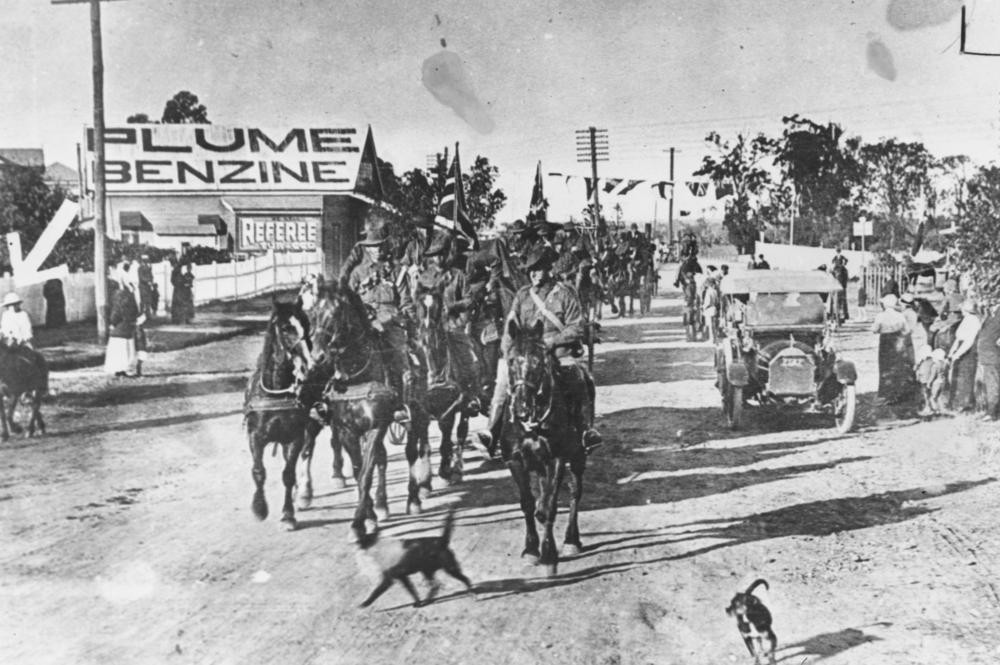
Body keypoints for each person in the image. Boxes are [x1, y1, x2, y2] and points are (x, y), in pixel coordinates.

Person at [477, 246, 601, 458]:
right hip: (527, 354)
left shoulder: (565, 294)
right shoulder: (523, 295)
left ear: (549, 269)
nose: (533, 274)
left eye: (538, 269)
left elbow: (576, 326)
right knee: (504, 380)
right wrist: (509, 351)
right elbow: (510, 326)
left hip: (558, 353)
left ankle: (586, 431)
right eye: (530, 270)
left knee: (581, 380)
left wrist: (553, 341)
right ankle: (492, 431)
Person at [343, 211, 414, 403]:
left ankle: (399, 402)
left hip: (390, 321)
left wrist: (395, 319)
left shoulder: (397, 272)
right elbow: (349, 300)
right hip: (364, 320)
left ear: (385, 246)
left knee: (399, 357)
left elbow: (406, 303)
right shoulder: (357, 273)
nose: (375, 251)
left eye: (378, 246)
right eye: (370, 247)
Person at [415, 232, 481, 404]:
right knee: (415, 354)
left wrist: (454, 307)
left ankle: (472, 395)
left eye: (441, 254)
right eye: (434, 255)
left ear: (447, 254)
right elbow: (416, 300)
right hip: (429, 325)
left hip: (452, 324)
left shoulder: (458, 275)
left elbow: (469, 299)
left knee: (468, 356)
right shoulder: (424, 278)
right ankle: (417, 394)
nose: (438, 258)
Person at [871, 294, 917, 406]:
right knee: (896, 366)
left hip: (885, 341)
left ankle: (885, 394)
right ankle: (896, 393)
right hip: (897, 341)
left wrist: (885, 329)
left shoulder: (880, 316)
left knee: (885, 367)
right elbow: (906, 330)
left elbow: (874, 330)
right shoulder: (900, 315)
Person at [105, 264, 139, 378]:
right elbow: (135, 311)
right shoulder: (130, 295)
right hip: (129, 328)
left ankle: (119, 370)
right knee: (128, 351)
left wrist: (112, 323)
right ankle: (127, 370)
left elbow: (116, 313)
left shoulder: (118, 295)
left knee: (119, 350)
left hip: (119, 329)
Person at [947, 299, 981, 413]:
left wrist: (958, 354)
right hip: (960, 348)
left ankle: (965, 404)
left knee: (965, 376)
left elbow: (969, 341)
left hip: (968, 351)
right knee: (958, 376)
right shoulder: (966, 319)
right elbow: (958, 339)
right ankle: (957, 403)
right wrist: (952, 352)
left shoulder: (973, 320)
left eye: (962, 308)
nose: (960, 310)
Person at [974, 299, 1000, 421]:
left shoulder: (997, 314)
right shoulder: (991, 314)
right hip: (986, 355)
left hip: (992, 355)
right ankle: (989, 410)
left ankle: (992, 413)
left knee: (992, 384)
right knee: (988, 384)